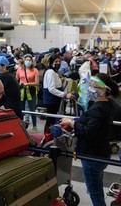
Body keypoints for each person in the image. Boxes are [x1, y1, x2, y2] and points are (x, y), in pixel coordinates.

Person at [60, 73, 120, 206]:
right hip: (101, 152)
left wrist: (71, 123)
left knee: (95, 192)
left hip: (92, 156)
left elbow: (89, 131)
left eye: (94, 87)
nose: (89, 89)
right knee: (96, 184)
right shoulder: (108, 104)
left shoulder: (98, 109)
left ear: (104, 91)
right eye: (90, 85)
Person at [43, 54, 76, 131]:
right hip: (51, 100)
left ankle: (49, 135)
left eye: (59, 61)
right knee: (50, 120)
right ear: (51, 62)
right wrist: (64, 95)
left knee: (51, 119)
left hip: (53, 99)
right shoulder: (50, 72)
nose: (58, 63)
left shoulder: (53, 72)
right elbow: (51, 89)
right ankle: (47, 136)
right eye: (56, 61)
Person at [15, 54, 39, 132]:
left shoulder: (35, 70)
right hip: (21, 91)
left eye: (29, 60)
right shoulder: (20, 69)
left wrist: (28, 84)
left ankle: (34, 126)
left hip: (31, 91)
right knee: (21, 109)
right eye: (26, 60)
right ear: (24, 60)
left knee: (32, 109)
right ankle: (21, 125)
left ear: (32, 61)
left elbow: (37, 83)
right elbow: (16, 79)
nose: (28, 61)